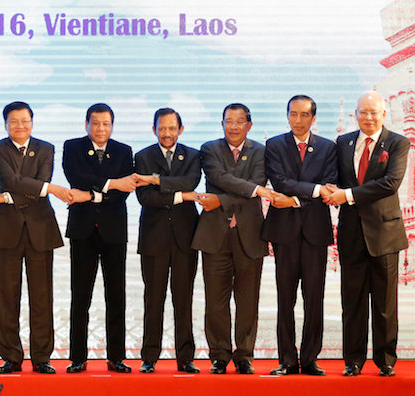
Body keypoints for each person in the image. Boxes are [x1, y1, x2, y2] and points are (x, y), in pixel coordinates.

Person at [323, 91, 409, 377]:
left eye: (374, 112)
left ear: (384, 113)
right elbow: (334, 178)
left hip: (384, 234)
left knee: (385, 303)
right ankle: (353, 361)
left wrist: (346, 195)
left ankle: (385, 360)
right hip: (351, 233)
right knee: (353, 301)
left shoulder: (397, 142)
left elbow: (390, 183)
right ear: (356, 114)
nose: (368, 117)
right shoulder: (343, 143)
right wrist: (330, 190)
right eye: (363, 112)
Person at [0, 101, 72, 374]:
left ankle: (41, 356)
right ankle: (11, 356)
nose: (20, 126)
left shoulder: (46, 148)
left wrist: (10, 196)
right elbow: (8, 179)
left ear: (32, 122)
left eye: (25, 121)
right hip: (6, 230)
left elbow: (36, 183)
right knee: (7, 296)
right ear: (5, 124)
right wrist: (48, 189)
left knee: (42, 295)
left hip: (40, 229)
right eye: (14, 121)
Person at [191, 103, 274, 375]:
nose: (234, 126)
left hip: (249, 235)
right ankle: (219, 355)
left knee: (248, 300)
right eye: (229, 121)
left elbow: (256, 180)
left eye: (240, 121)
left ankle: (244, 356)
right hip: (215, 234)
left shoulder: (261, 151)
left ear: (249, 125)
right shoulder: (209, 149)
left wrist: (221, 200)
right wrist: (254, 190)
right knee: (216, 299)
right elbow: (220, 177)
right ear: (222, 123)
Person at [261, 95, 336, 376]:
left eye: (304, 115)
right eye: (293, 114)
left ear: (313, 118)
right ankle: (287, 359)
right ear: (287, 115)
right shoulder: (275, 145)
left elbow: (330, 184)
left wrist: (295, 199)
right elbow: (280, 181)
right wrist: (315, 191)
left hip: (315, 232)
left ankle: (310, 358)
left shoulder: (328, 147)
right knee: (286, 298)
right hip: (285, 233)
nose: (298, 120)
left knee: (314, 298)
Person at [62, 103, 136, 374]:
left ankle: (116, 356)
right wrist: (111, 184)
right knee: (80, 296)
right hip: (83, 231)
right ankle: (78, 357)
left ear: (112, 125)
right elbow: (77, 177)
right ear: (86, 124)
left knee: (116, 295)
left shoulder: (124, 151)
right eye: (95, 123)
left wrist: (95, 191)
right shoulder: (72, 147)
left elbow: (125, 190)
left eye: (106, 123)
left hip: (114, 232)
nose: (100, 128)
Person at [134, 107, 202, 374]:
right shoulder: (142, 157)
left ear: (180, 130)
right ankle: (149, 356)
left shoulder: (194, 155)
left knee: (183, 299)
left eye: (172, 128)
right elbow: (145, 198)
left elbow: (191, 181)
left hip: (185, 238)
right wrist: (180, 195)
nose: (167, 133)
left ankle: (186, 358)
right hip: (154, 239)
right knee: (153, 298)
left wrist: (156, 180)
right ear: (154, 130)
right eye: (162, 128)